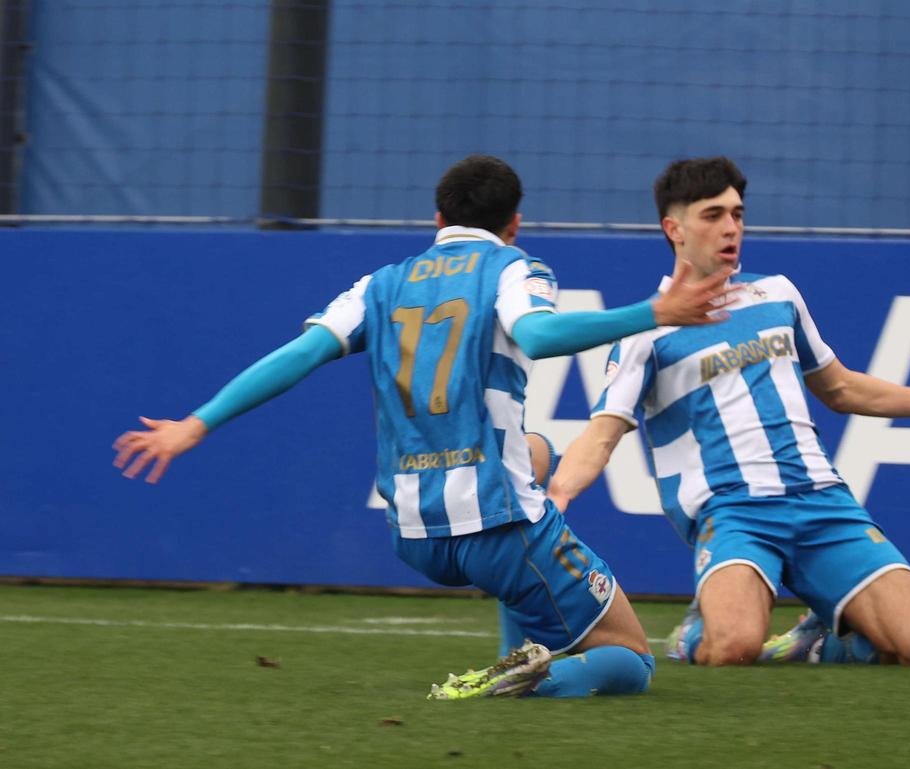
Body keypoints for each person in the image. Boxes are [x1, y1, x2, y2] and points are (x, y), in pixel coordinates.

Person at [112, 154, 738, 696]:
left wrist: (196, 424)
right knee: (630, 660)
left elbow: (298, 355)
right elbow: (539, 335)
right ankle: (529, 677)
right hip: (497, 526)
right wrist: (655, 310)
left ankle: (515, 651)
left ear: (437, 221)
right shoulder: (515, 269)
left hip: (413, 533)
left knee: (538, 452)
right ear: (514, 225)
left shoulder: (379, 285)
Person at [546, 157, 910, 667]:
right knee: (735, 647)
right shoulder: (646, 333)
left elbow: (842, 388)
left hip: (822, 501)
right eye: (713, 215)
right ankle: (694, 632)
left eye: (738, 214)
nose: (731, 228)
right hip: (734, 512)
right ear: (673, 229)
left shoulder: (779, 294)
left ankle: (817, 640)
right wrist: (560, 494)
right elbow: (602, 434)